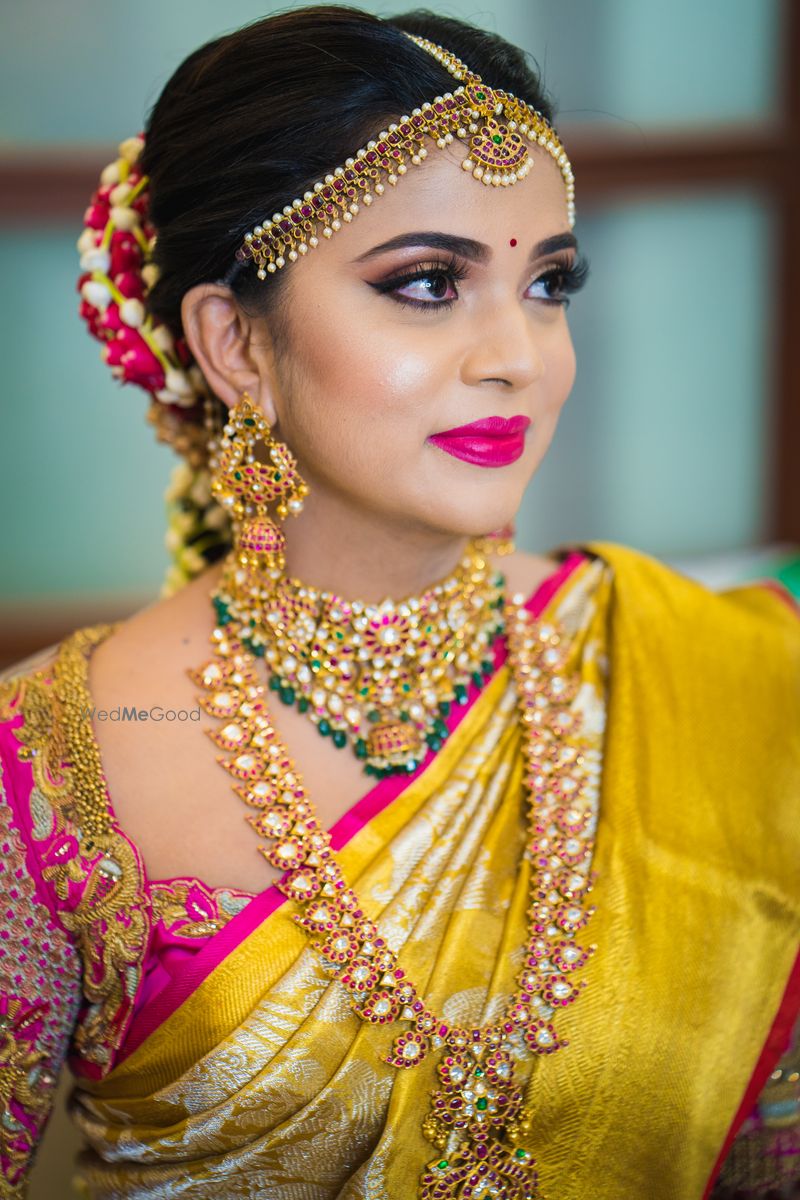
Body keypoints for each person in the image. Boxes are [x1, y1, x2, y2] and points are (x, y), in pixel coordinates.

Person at [0, 6, 798, 1198]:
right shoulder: (53, 767)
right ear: (233, 344)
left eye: (549, 283)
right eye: (428, 282)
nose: (517, 355)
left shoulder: (720, 678)